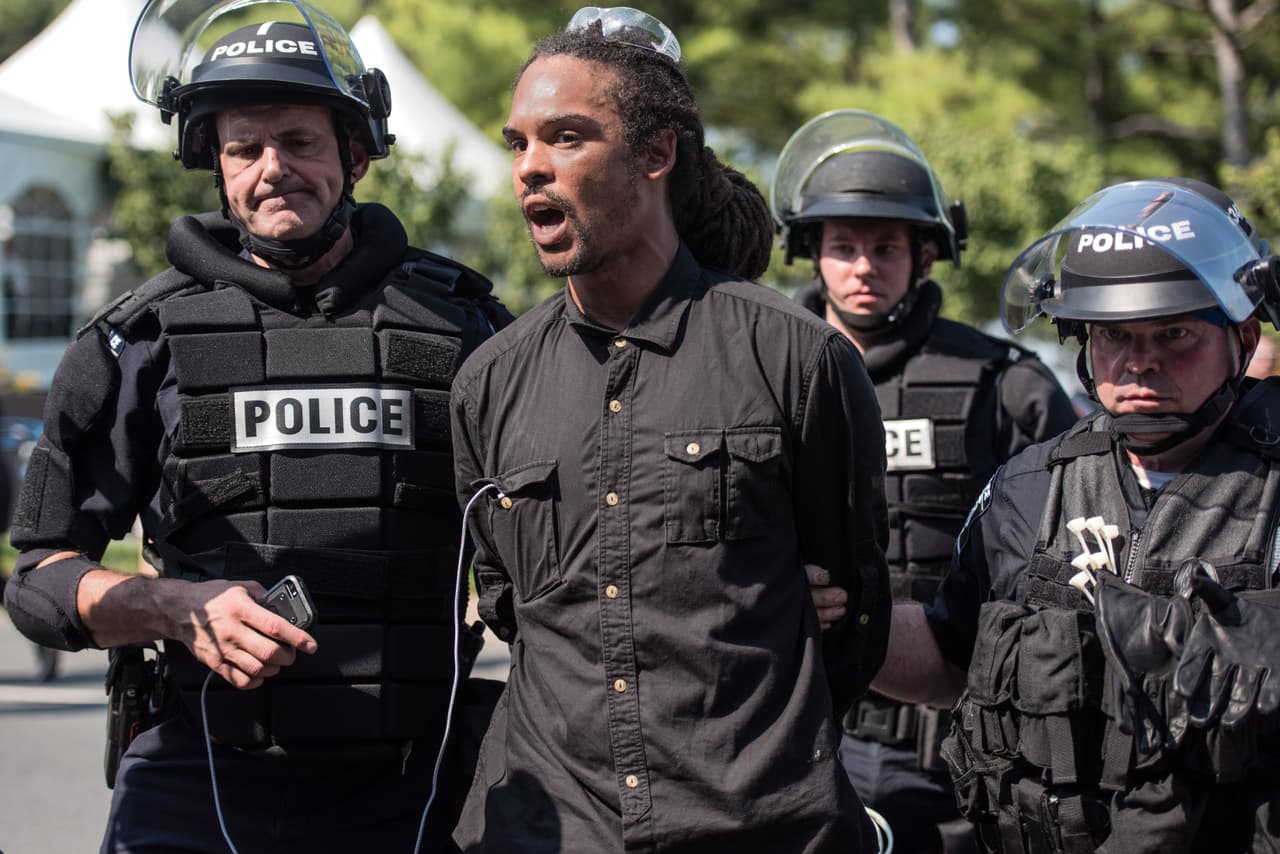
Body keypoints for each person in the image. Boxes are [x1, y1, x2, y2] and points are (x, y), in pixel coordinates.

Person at [1, 1, 511, 851]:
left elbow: (563, 533)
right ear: (216, 165)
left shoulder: (464, 328)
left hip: (422, 784)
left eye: (301, 142)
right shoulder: (138, 343)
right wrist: (169, 606)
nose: (274, 168)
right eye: (245, 147)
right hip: (201, 780)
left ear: (354, 153)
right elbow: (39, 580)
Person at [449, 6, 892, 852]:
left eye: (567, 138)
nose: (530, 169)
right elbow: (511, 608)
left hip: (761, 828)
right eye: (519, 143)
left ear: (656, 155)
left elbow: (854, 623)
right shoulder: (489, 383)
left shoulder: (799, 360)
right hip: (544, 830)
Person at [872, 176, 1280, 852]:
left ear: (1243, 335)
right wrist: (835, 611)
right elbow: (950, 660)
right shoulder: (1028, 486)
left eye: (1175, 332)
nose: (1141, 362)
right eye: (1115, 335)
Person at [772, 109, 1078, 853]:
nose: (864, 267)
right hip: (796, 736)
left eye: (886, 247)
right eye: (843, 247)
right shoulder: (758, 371)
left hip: (957, 745)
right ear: (813, 254)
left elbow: (1075, 553)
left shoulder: (1006, 384)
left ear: (927, 255)